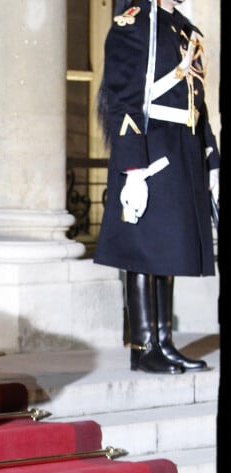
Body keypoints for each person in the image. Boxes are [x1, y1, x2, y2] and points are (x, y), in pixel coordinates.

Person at [94, 0, 219, 374]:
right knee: (143, 251)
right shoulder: (134, 22)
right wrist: (133, 166)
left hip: (182, 144)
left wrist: (212, 159)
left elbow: (199, 102)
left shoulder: (183, 27)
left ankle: (164, 341)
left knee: (166, 250)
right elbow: (121, 98)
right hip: (150, 144)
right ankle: (143, 345)